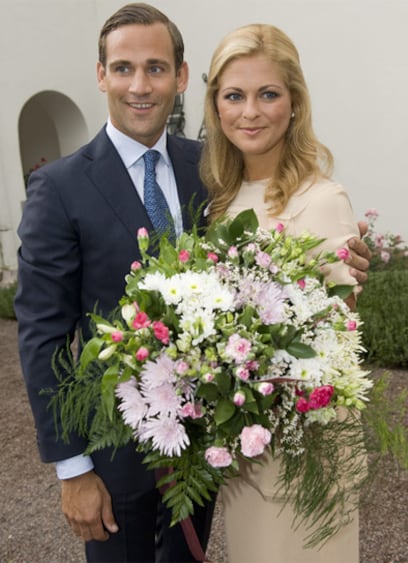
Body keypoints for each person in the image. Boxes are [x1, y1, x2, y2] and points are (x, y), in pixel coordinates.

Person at [14, 4, 369, 563]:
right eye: (124, 67)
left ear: (181, 78)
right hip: (116, 463)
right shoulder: (58, 188)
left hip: (212, 458)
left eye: (156, 68)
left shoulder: (210, 172)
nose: (140, 85)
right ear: (101, 74)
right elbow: (42, 335)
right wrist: (72, 468)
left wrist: (343, 267)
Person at [199, 23, 364, 562]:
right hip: (245, 456)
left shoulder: (321, 199)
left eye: (268, 94)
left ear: (294, 103)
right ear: (216, 107)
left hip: (306, 460)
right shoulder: (218, 205)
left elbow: (337, 347)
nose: (250, 112)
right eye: (234, 96)